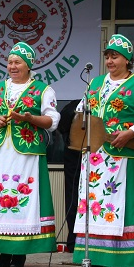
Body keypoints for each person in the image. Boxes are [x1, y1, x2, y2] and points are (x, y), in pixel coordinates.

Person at [72, 34, 134, 267]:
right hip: (96, 156)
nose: (110, 61)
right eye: (108, 56)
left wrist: (131, 133)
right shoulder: (96, 83)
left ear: (128, 60)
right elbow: (82, 108)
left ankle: (120, 258)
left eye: (115, 56)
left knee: (117, 205)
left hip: (124, 155)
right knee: (95, 205)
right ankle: (96, 255)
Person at [0, 42, 60, 267]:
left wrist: (29, 118)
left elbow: (52, 121)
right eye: (10, 62)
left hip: (27, 153)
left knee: (25, 199)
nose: (12, 66)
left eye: (18, 62)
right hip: (2, 151)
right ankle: (3, 252)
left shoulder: (43, 89)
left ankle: (20, 253)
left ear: (28, 65)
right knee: (0, 196)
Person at [56, 99, 82, 253]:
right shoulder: (74, 108)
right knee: (74, 197)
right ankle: (74, 241)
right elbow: (62, 127)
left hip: (94, 154)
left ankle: (75, 241)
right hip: (74, 153)